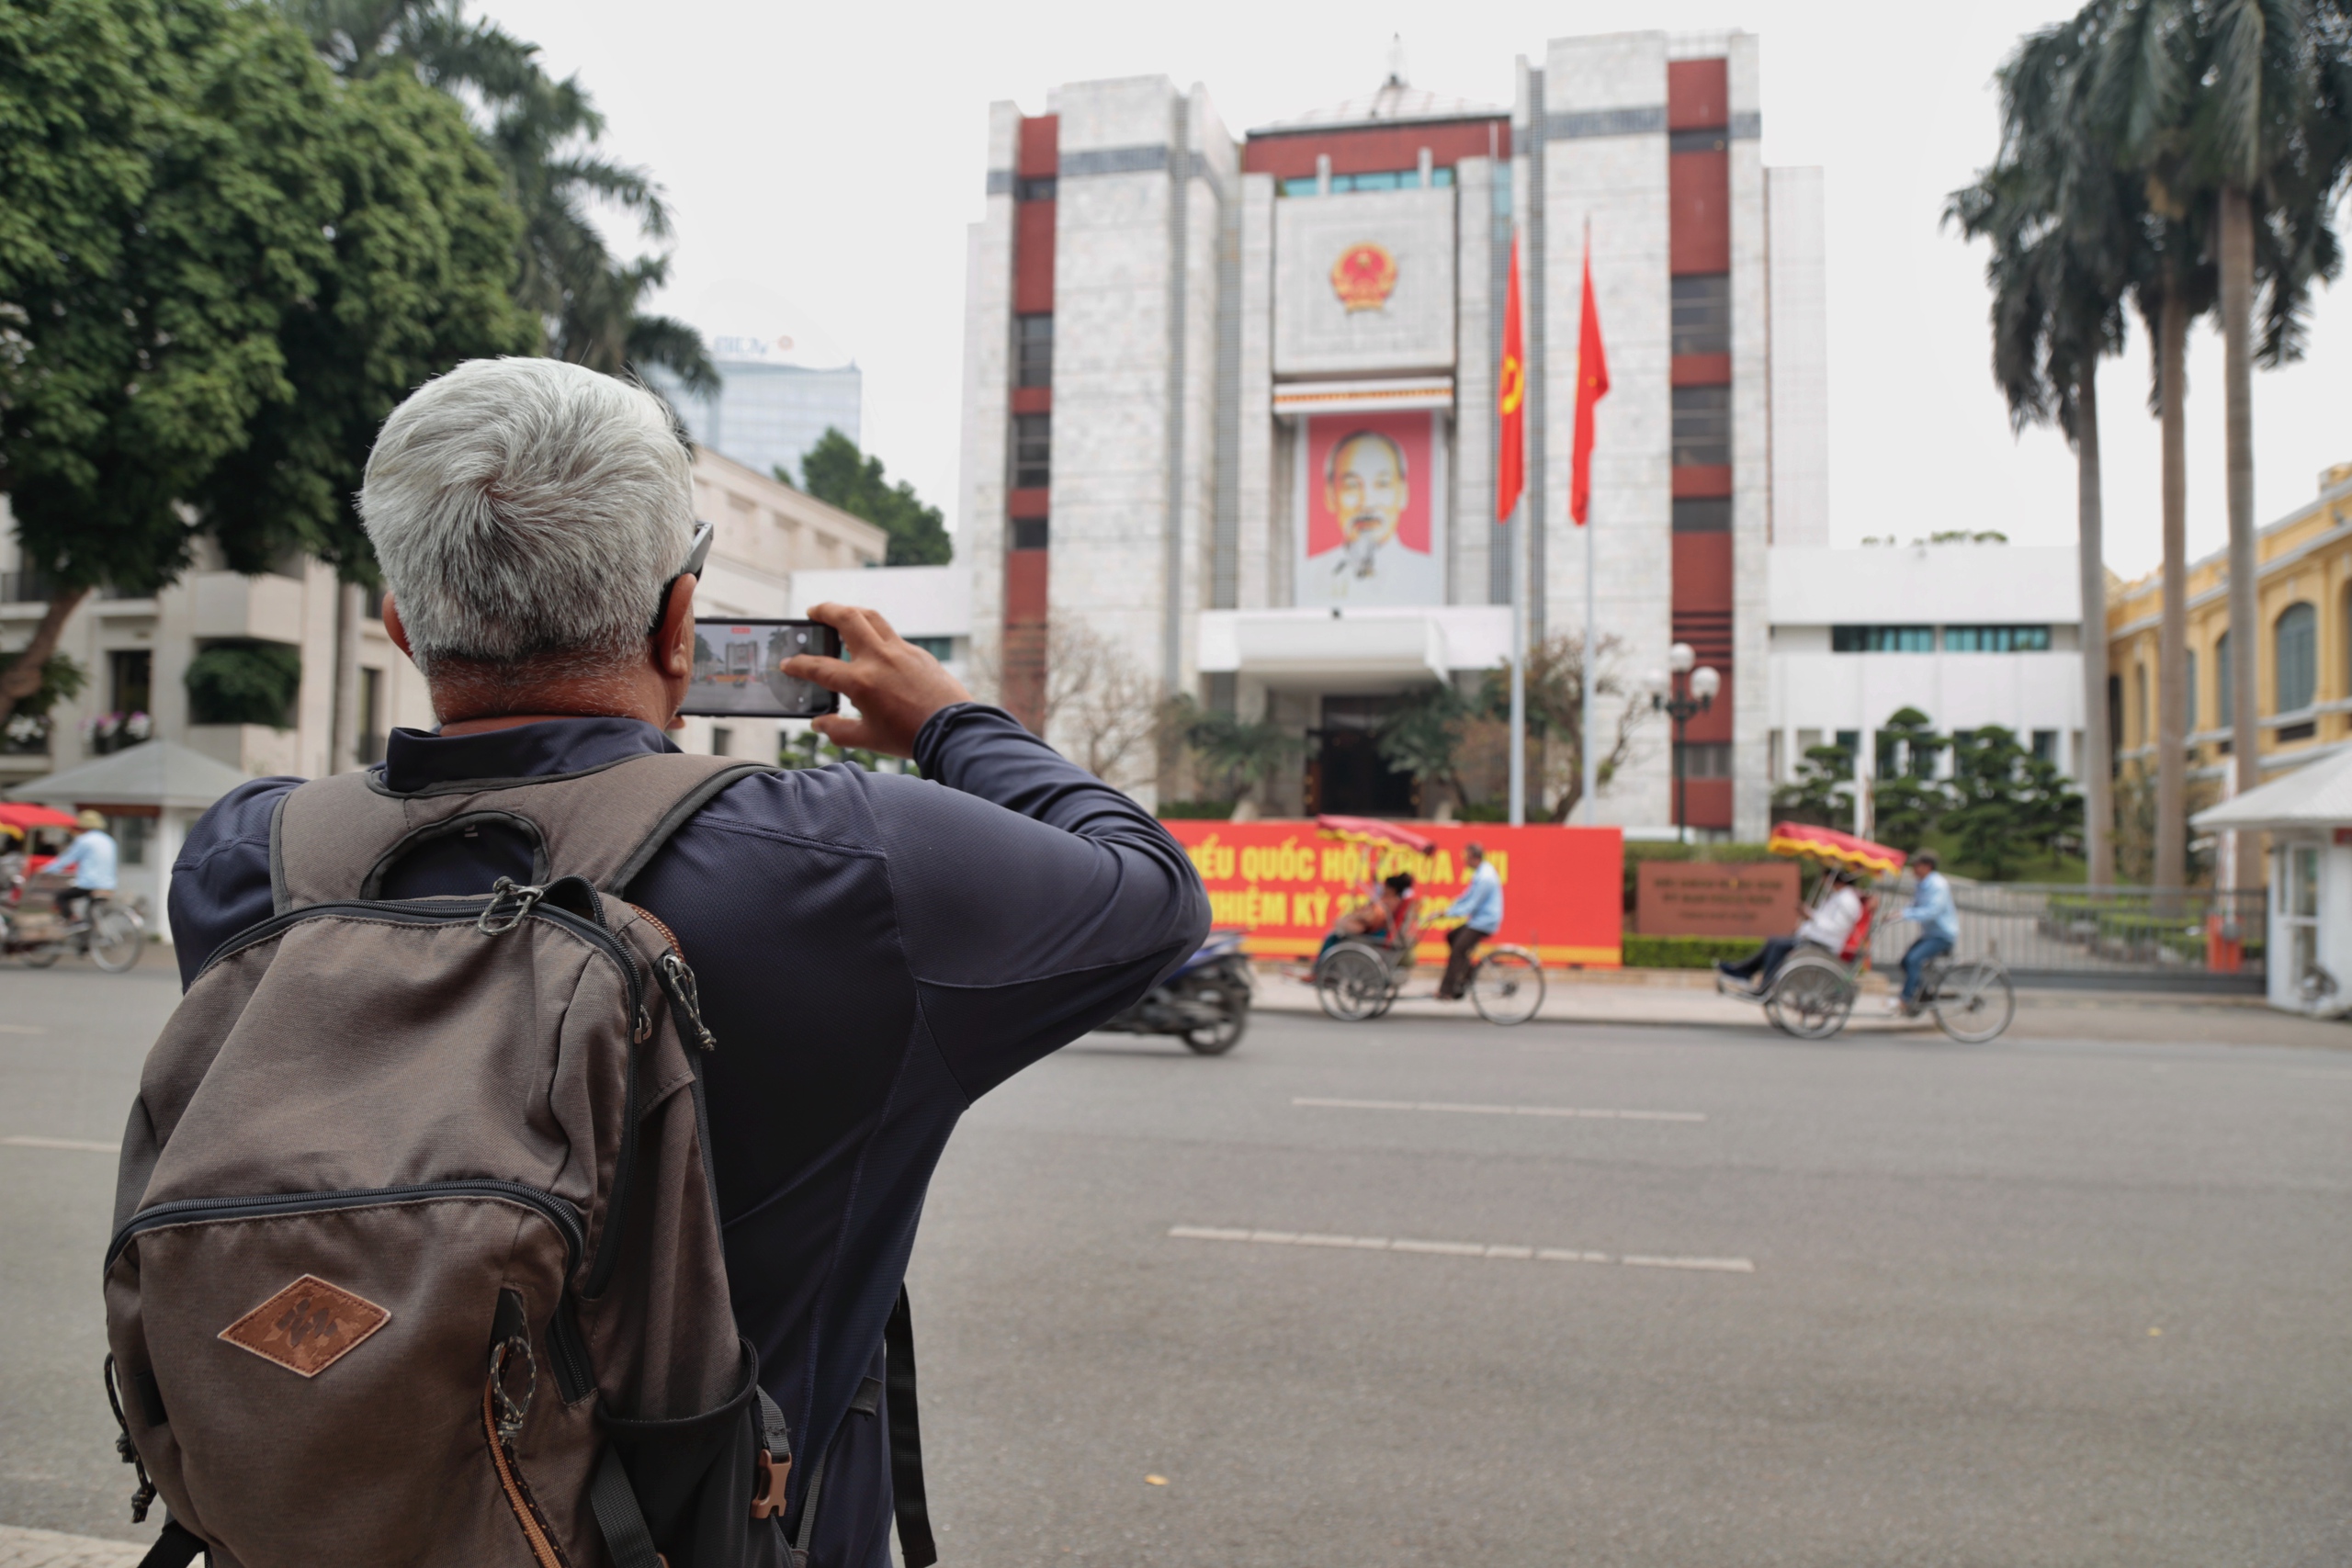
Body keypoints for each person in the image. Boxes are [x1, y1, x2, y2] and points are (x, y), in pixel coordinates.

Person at [166, 356, 1210, 1568]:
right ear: (680, 620)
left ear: (400, 621)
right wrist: (949, 721)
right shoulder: (850, 867)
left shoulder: (252, 862)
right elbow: (1153, 892)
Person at [1714, 865, 1862, 995]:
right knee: (1774, 941)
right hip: (1817, 940)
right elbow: (1824, 921)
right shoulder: (1840, 897)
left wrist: (1810, 917)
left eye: (1826, 878)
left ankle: (1764, 984)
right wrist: (1807, 921)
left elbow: (1835, 928)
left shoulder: (1846, 901)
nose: (1824, 882)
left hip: (1824, 945)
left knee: (1778, 945)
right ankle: (1743, 971)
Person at [1326, 430, 1408, 582]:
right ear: (1330, 495)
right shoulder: (1319, 574)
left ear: (1403, 492)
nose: (1367, 504)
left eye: (1382, 483)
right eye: (1351, 485)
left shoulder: (1420, 574)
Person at [1886, 849, 1960, 1015]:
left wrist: (1905, 914)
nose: (1913, 869)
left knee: (1913, 960)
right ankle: (1924, 993)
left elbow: (1932, 911)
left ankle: (1905, 999)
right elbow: (1915, 905)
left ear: (1927, 867)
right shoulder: (1922, 884)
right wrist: (1897, 914)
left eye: (1917, 865)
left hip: (1942, 935)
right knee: (1905, 961)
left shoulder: (1937, 885)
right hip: (1930, 934)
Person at [1436, 842, 1501, 1000]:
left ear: (1474, 857)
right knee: (1452, 936)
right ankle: (1466, 975)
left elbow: (1471, 905)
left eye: (1467, 857)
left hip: (1484, 922)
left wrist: (1449, 913)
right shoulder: (1480, 873)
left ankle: (1447, 991)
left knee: (1458, 950)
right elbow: (1466, 897)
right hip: (1478, 920)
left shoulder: (1486, 877)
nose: (1464, 861)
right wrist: (1448, 909)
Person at [1317, 870, 1415, 961]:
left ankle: (1319, 970)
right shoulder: (1389, 901)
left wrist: (1359, 916)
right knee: (1333, 936)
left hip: (1377, 936)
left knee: (1333, 937)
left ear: (1392, 890)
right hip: (1376, 932)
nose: (1383, 889)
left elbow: (1372, 920)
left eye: (1385, 887)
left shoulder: (1390, 903)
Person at [47, 808, 117, 926]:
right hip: (109, 885)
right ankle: (86, 938)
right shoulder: (109, 840)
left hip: (90, 883)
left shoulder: (84, 840)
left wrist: (47, 869)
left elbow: (67, 859)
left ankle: (74, 921)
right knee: (90, 913)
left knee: (61, 897)